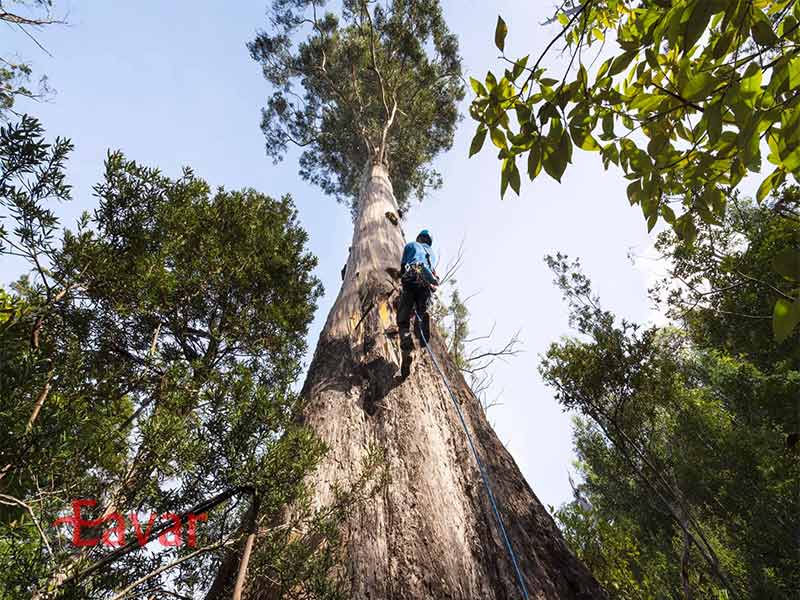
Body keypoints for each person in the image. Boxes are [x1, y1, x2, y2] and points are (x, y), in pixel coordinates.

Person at [397, 229, 439, 376]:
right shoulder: (433, 254)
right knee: (421, 305)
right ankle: (421, 317)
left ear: (419, 238)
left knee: (402, 318)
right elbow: (432, 271)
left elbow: (403, 268)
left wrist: (400, 275)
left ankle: (406, 338)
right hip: (427, 281)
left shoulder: (411, 245)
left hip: (413, 275)